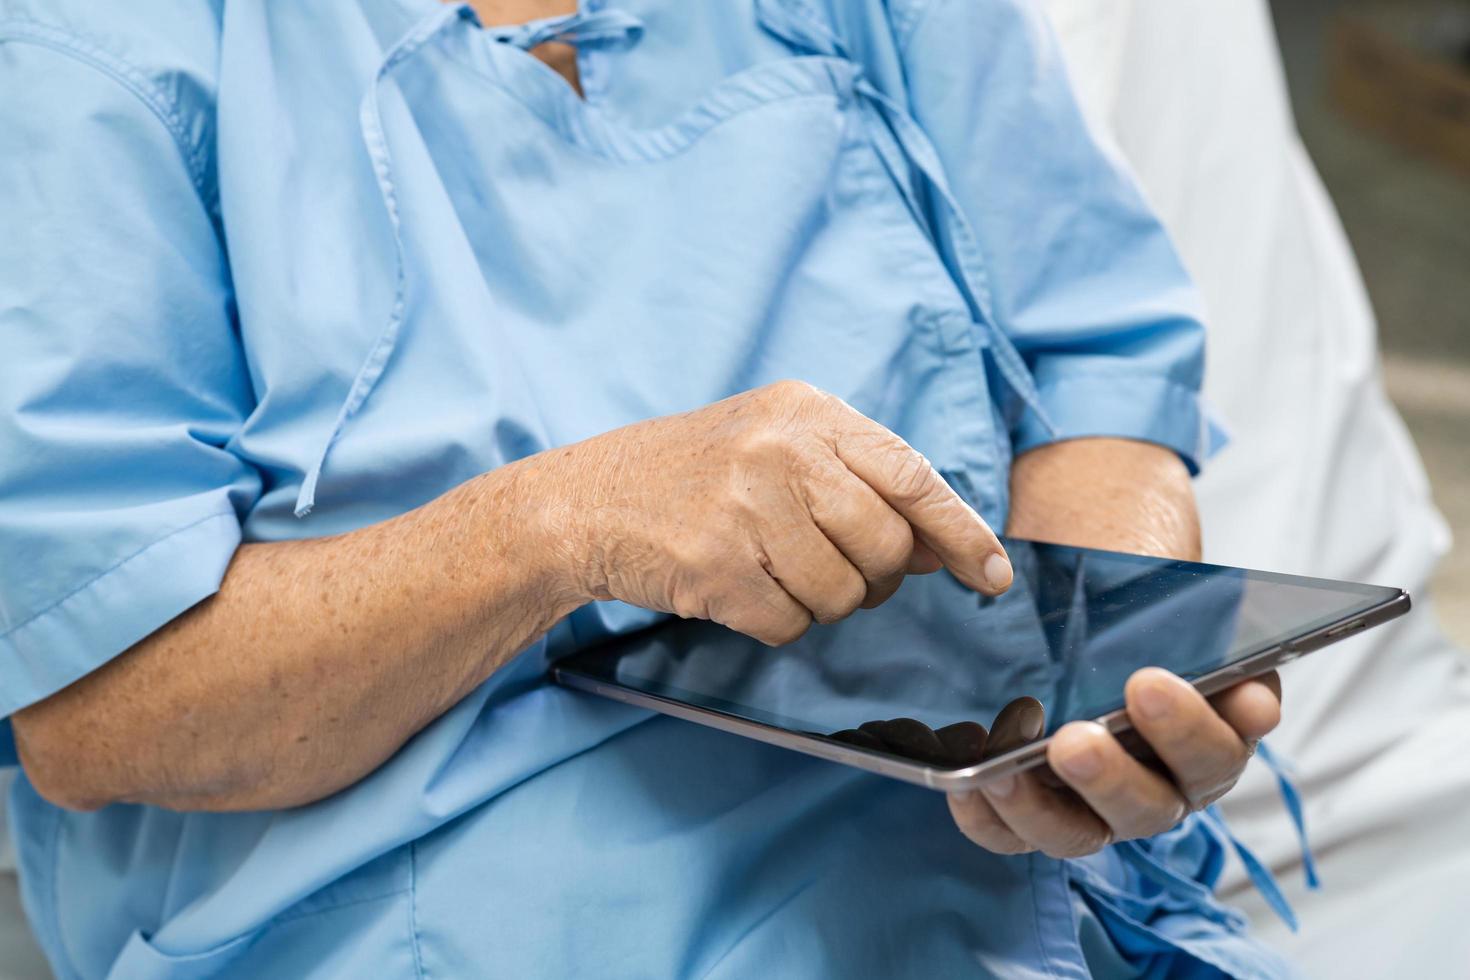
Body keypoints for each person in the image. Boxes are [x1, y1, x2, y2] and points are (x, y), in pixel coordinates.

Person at [0, 0, 1292, 975]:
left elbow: (1101, 389)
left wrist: (1086, 701)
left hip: (1021, 901)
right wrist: (553, 527)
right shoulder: (91, 60)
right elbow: (105, 715)